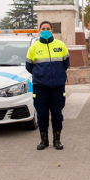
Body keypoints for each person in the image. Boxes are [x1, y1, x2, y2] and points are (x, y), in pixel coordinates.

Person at [26, 21, 70, 150]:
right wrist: (41, 75)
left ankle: (57, 140)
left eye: (48, 28)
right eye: (43, 28)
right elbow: (29, 66)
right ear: (39, 30)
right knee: (42, 115)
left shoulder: (61, 45)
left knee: (57, 115)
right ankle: (43, 140)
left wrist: (57, 76)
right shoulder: (34, 47)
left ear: (52, 30)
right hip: (40, 88)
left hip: (57, 87)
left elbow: (66, 64)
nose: (46, 30)